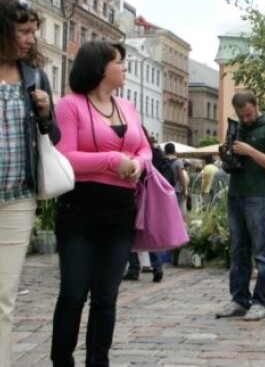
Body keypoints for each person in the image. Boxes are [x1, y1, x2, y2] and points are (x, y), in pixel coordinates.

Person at [51, 40, 152, 366]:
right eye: (119, 62)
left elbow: (145, 149)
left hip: (122, 209)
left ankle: (99, 362)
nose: (124, 68)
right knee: (73, 294)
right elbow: (65, 157)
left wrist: (139, 164)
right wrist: (112, 160)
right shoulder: (71, 105)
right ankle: (62, 361)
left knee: (107, 297)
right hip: (80, 209)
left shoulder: (128, 106)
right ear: (99, 67)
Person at [0, 0, 60, 366]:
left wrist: (46, 113)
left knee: (4, 297)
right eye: (23, 31)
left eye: (33, 32)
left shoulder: (36, 77)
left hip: (17, 198)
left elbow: (53, 140)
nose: (31, 39)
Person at [215, 90, 265, 321]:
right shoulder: (237, 128)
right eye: (240, 115)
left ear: (257, 105)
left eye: (248, 114)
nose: (245, 119)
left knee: (262, 253)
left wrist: (250, 151)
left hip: (259, 196)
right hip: (236, 194)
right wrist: (227, 156)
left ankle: (261, 302)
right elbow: (232, 164)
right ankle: (239, 299)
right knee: (238, 251)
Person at [123, 132, 165, 284]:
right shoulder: (156, 154)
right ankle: (158, 268)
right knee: (150, 233)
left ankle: (134, 269)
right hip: (151, 199)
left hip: (134, 196)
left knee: (129, 233)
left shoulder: (134, 155)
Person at [164, 142, 188, 215]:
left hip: (163, 189)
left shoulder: (162, 161)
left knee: (165, 210)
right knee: (175, 211)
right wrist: (185, 189)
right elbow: (181, 177)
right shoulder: (178, 162)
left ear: (165, 151)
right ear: (174, 150)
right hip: (176, 190)